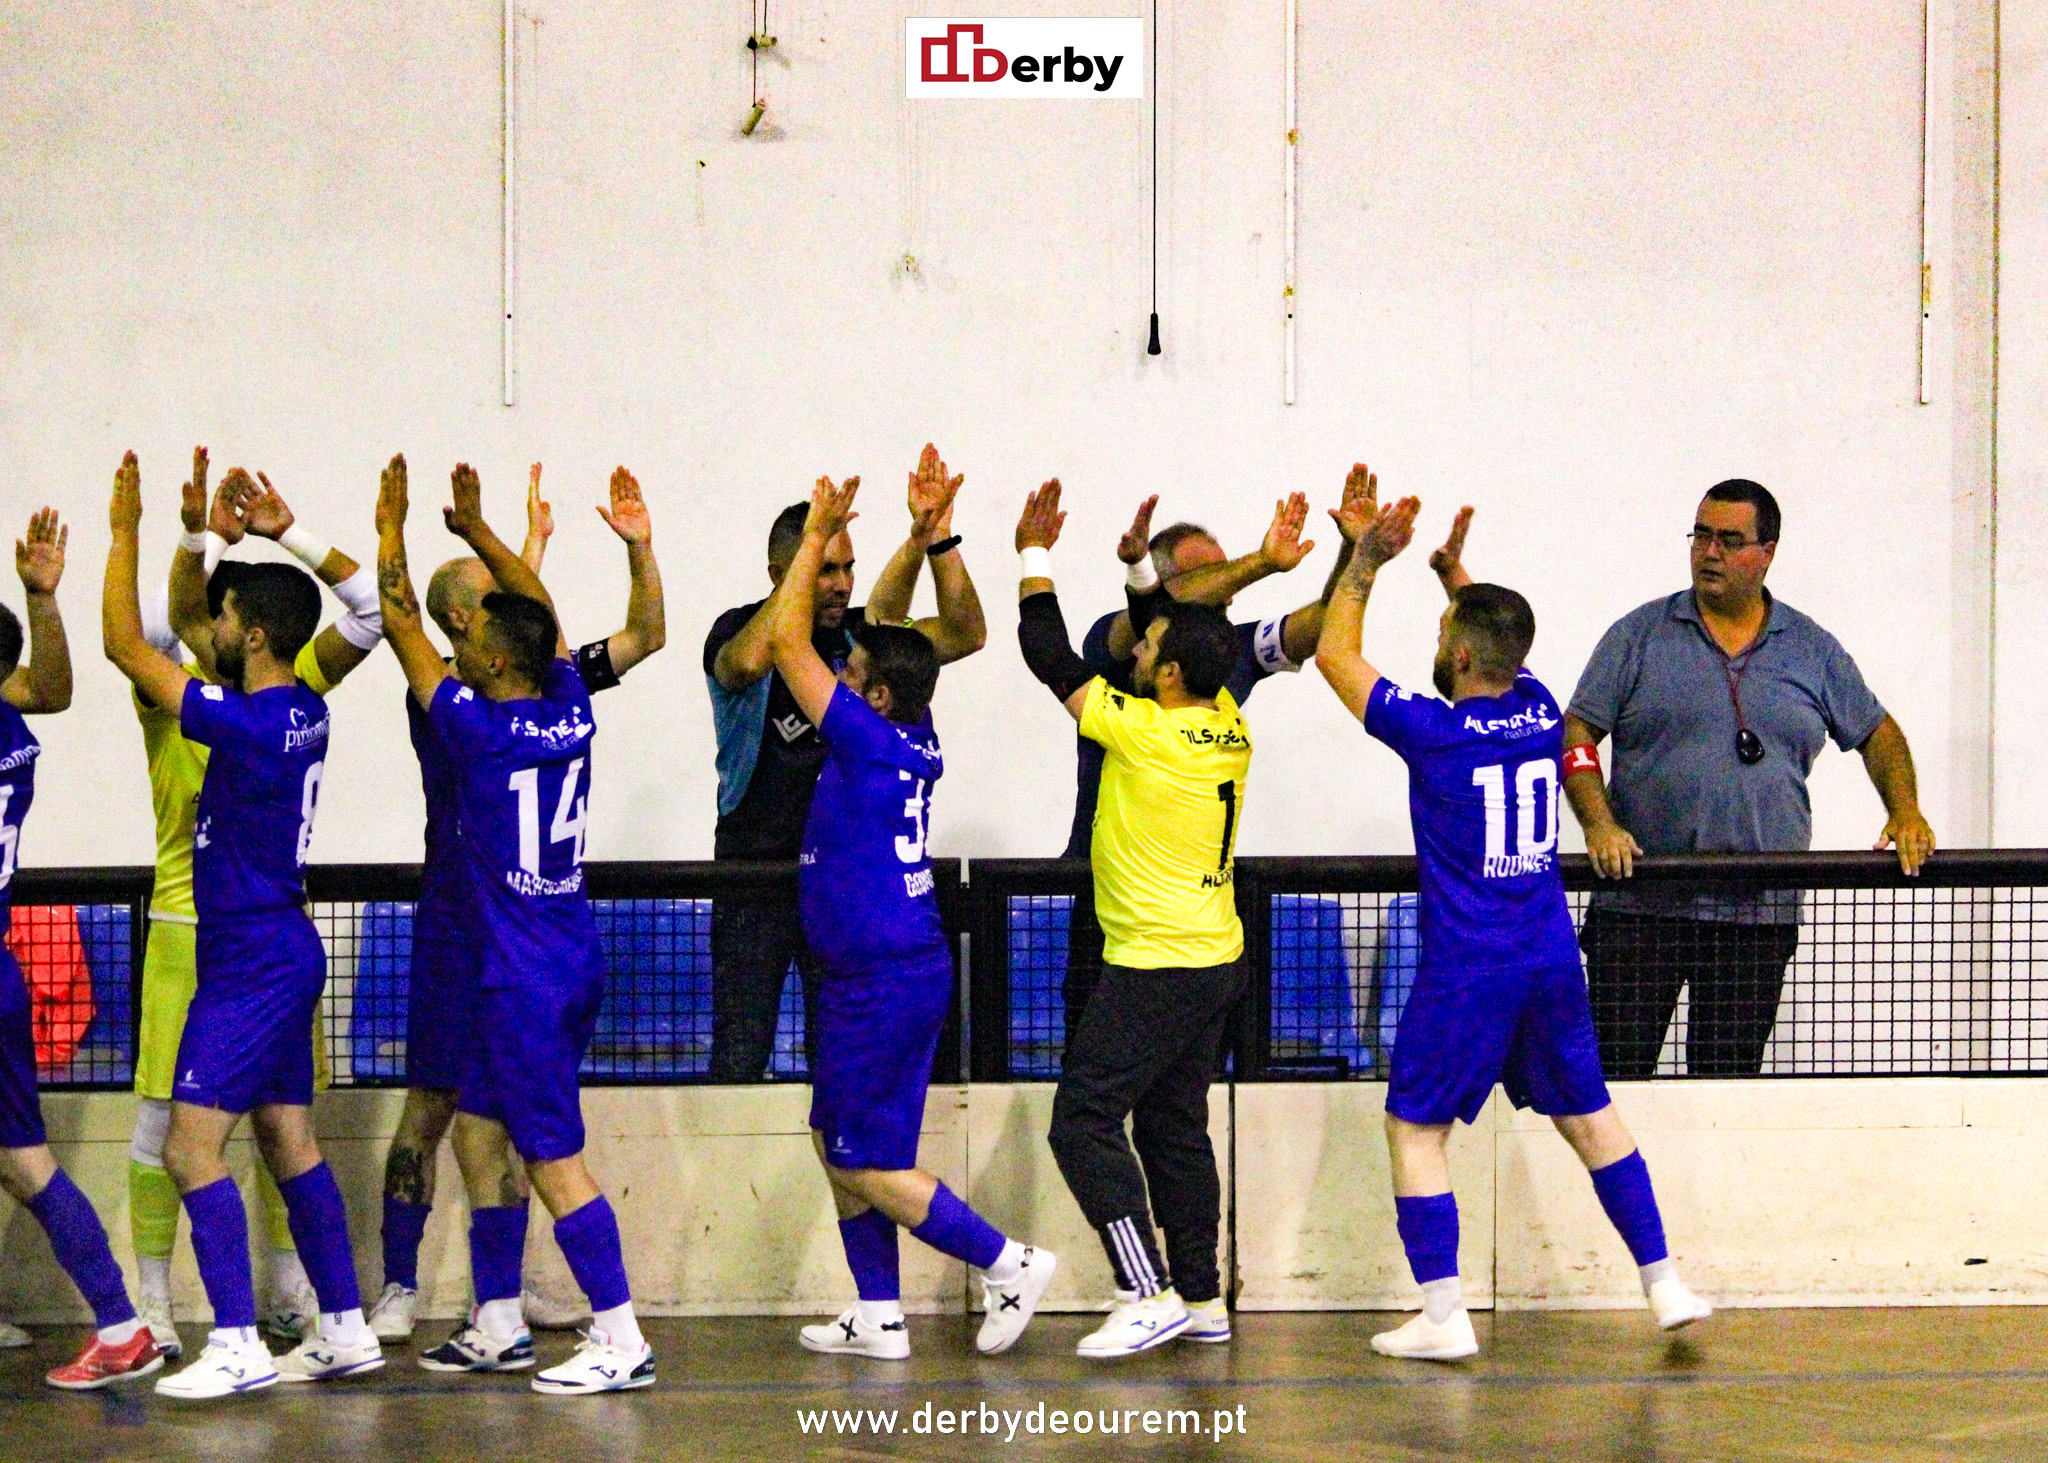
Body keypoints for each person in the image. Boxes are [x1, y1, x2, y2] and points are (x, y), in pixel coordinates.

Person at [1312, 476, 1711, 1361]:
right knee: (1591, 1117)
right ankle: (1665, 1283)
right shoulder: (1537, 709)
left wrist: (1367, 562)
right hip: (1549, 960)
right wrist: (1457, 580)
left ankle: (1445, 1314)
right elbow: (1496, 641)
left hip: (1469, 969)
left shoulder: (1436, 730)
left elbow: (1337, 658)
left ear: (1455, 656)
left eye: (1444, 634)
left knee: (1416, 1128)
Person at [368, 462, 665, 1351]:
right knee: (475, 1119)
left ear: (486, 650)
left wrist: (392, 526)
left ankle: (621, 1338)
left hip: (517, 968)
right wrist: (496, 537)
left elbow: (400, 621)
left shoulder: (473, 721)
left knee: (550, 1158)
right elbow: (552, 630)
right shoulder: (568, 703)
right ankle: (493, 1314)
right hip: (562, 947)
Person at [103, 452, 380, 1398]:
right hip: (274, 946)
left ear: (253, 634)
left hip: (250, 959)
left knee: (189, 1148)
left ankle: (233, 1343)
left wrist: (126, 530)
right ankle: (344, 1328)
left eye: (224, 617)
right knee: (286, 1138)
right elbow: (366, 610)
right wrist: (265, 533)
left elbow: (126, 647)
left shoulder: (247, 722)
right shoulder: (302, 708)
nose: (208, 625)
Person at [770, 476, 1054, 1360]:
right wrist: (922, 538)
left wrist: (817, 534)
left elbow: (784, 638)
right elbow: (877, 634)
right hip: (884, 971)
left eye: (852, 675)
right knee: (838, 1134)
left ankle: (1007, 1260)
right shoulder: (911, 730)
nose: (841, 676)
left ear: (877, 699)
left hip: (880, 980)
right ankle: (880, 1314)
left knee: (860, 1159)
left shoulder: (865, 733)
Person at [1562, 479, 1936, 1077]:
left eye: (1730, 540)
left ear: (1767, 552)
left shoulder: (1812, 649)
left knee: (1724, 1095)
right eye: (1701, 535)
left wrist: (1906, 809)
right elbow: (1577, 736)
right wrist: (1598, 822)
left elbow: (1879, 733)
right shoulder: (1637, 635)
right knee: (1611, 1089)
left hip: (1755, 918)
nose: (1709, 552)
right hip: (1638, 909)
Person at [1014, 479, 1248, 1358]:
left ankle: (1143, 1288)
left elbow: (1047, 653)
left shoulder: (1140, 732)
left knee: (1081, 1117)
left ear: (1169, 675)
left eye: (1148, 646)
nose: (1138, 651)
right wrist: (1139, 573)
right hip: (1216, 958)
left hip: (1153, 962)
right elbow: (1173, 627)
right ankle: (1202, 1292)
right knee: (1173, 1123)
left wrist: (1032, 554)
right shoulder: (1225, 720)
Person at [1055, 469, 1373, 1048]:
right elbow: (1164, 608)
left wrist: (1357, 553)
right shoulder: (1123, 642)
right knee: (1090, 1099)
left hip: (1199, 931)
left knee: (1175, 1111)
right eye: (1213, 576)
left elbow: (1326, 623)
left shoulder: (1232, 651)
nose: (1229, 590)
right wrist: (1260, 563)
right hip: (1109, 909)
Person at [702, 444, 984, 1083]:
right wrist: (811, 548)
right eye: (825, 568)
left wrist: (929, 540)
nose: (840, 583)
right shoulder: (736, 629)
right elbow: (754, 661)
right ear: (783, 568)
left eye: (847, 568)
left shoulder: (862, 644)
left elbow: (965, 632)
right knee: (739, 1055)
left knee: (834, 1058)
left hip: (839, 883)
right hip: (754, 872)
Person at [0, 506, 164, 1390]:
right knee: (24, 1162)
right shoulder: (9, 734)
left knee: (27, 1163)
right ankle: (119, 1320)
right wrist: (41, 599)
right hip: (1, 974)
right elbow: (51, 689)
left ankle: (119, 1319)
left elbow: (46, 686)